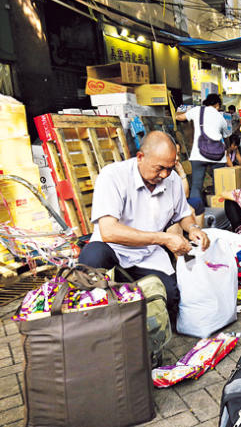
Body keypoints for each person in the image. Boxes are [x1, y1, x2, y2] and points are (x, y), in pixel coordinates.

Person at [78, 131, 210, 322]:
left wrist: (193, 229)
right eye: (160, 168)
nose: (164, 174)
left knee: (171, 299)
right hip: (113, 250)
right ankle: (88, 321)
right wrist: (163, 238)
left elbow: (183, 215)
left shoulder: (171, 180)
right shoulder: (113, 176)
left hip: (147, 255)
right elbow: (109, 231)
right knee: (91, 258)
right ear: (140, 157)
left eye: (170, 168)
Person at [176, 93, 230, 202]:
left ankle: (196, 212)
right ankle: (218, 207)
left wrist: (176, 113)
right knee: (219, 184)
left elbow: (179, 117)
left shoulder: (197, 110)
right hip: (217, 156)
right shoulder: (221, 117)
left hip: (198, 153)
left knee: (196, 185)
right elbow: (226, 135)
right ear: (217, 105)